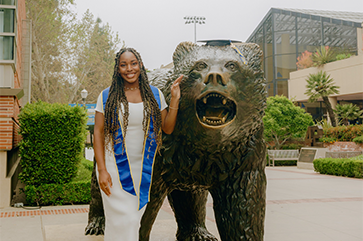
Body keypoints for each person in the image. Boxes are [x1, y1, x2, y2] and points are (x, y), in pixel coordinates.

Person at [93, 47, 182, 240]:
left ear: (140, 65)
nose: (129, 69)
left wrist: (174, 98)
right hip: (114, 168)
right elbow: (98, 133)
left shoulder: (155, 95)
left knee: (134, 221)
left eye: (133, 63)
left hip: (142, 168)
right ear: (117, 69)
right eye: (123, 65)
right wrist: (101, 170)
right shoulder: (107, 96)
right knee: (121, 221)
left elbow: (167, 128)